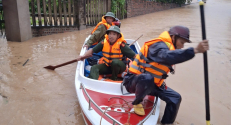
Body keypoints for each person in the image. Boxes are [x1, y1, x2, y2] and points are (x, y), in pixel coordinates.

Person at [122, 25, 209, 124]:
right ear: (173, 37)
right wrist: (195, 50)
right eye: (181, 42)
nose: (182, 46)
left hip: (151, 84)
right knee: (147, 78)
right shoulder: (157, 46)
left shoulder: (169, 48)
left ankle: (166, 123)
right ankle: (137, 102)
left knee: (175, 98)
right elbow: (166, 56)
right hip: (133, 82)